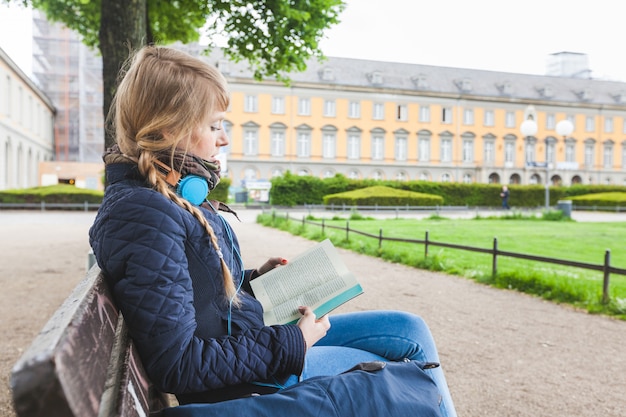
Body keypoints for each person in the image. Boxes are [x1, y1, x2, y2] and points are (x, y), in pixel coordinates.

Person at [88, 45, 456, 416]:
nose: (225, 138)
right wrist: (295, 340)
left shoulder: (168, 196)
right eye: (214, 125)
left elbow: (191, 295)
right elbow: (179, 364)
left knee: (408, 328)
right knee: (408, 378)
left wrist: (251, 280)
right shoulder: (144, 213)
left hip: (250, 340)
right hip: (245, 383)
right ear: (169, 129)